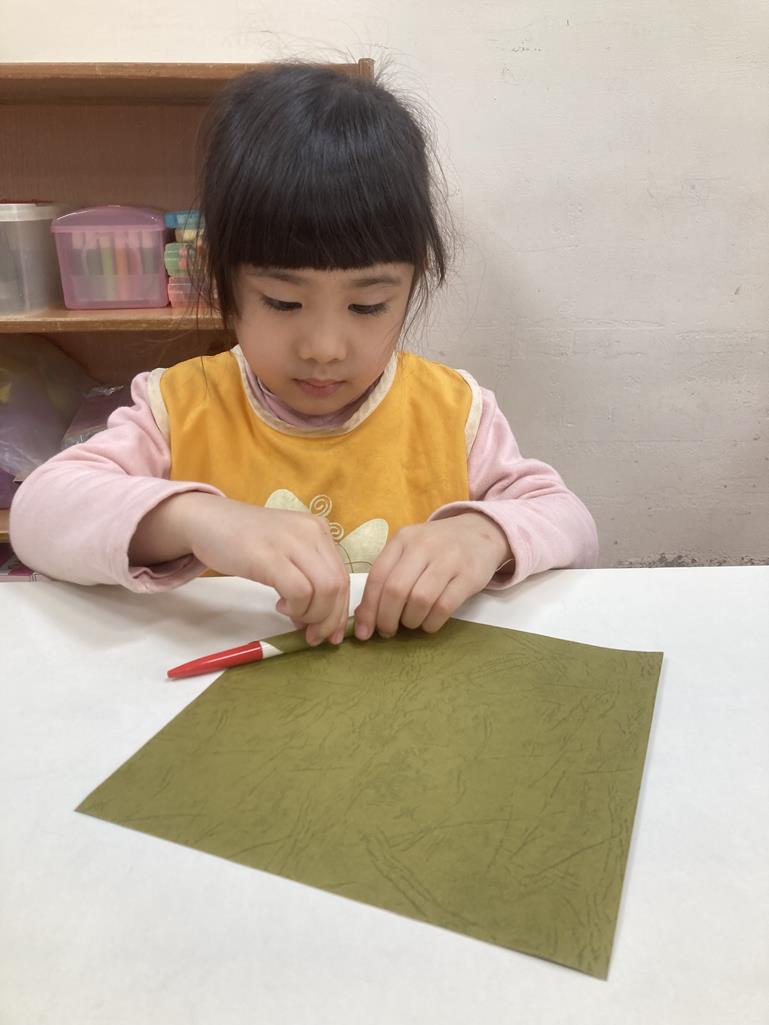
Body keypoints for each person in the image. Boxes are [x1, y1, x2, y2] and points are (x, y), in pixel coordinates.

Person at [10, 64, 598, 646]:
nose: (324, 349)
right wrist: (193, 519)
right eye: (283, 302)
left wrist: (484, 535)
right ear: (222, 279)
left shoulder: (455, 412)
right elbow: (38, 513)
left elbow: (571, 522)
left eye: (367, 306)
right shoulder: (179, 407)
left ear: (413, 282)